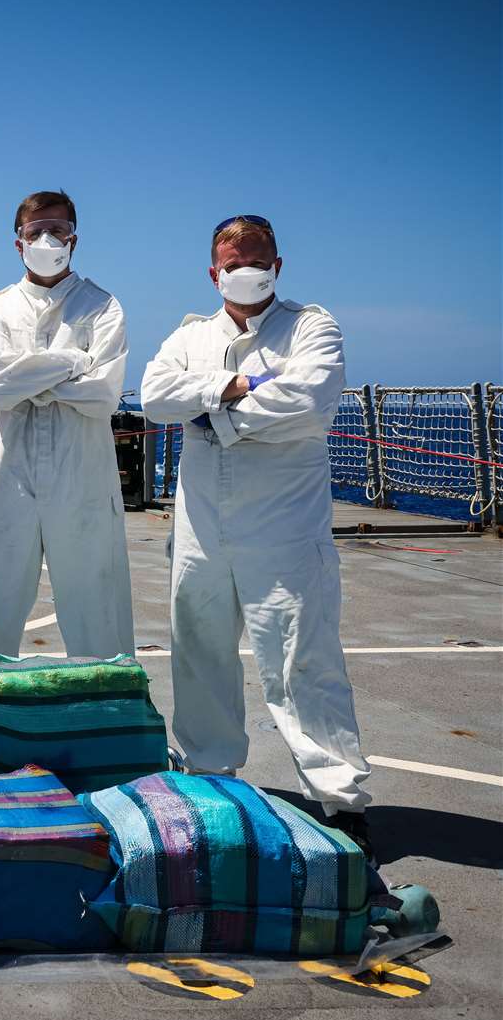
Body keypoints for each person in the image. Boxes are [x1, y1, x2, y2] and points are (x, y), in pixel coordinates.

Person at [141, 214, 372, 857]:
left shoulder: (311, 326)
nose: (246, 266)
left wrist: (213, 413)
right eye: (233, 258)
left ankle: (340, 799)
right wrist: (232, 387)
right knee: (200, 651)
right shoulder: (191, 334)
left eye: (258, 255)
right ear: (213, 270)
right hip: (201, 527)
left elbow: (311, 400)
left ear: (278, 263)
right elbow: (156, 396)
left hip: (284, 528)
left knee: (303, 659)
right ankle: (211, 778)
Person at [0, 190, 134, 663]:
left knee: (98, 615)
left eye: (56, 229)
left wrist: (29, 377)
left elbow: (103, 394)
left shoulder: (103, 306)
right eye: (34, 230)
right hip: (9, 481)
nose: (46, 238)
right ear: (17, 243)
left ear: (73, 238)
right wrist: (74, 361)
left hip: (82, 479)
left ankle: (107, 725)